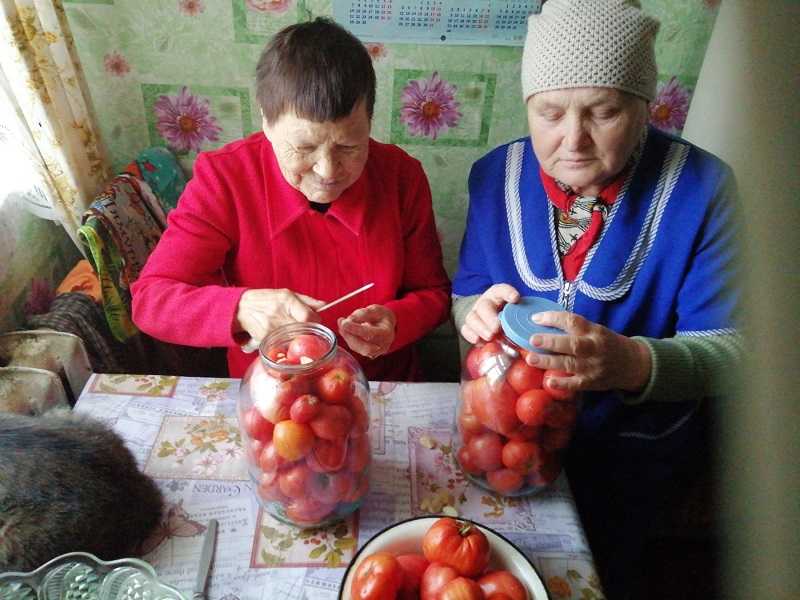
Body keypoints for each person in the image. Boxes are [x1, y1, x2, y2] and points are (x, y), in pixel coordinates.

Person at [452, 0, 742, 596]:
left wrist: (631, 363)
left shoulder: (704, 190)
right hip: (509, 447)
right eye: (550, 113)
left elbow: (734, 349)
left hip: (631, 461)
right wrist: (472, 315)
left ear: (644, 107)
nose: (573, 140)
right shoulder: (493, 175)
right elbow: (467, 293)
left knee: (605, 577)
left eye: (605, 111)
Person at [132, 18, 451, 381]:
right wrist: (240, 307)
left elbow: (434, 294)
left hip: (379, 382)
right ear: (266, 121)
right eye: (304, 147)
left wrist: (398, 322)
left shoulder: (401, 176)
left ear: (370, 122)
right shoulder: (226, 178)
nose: (328, 170)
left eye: (349, 146)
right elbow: (151, 301)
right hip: (272, 387)